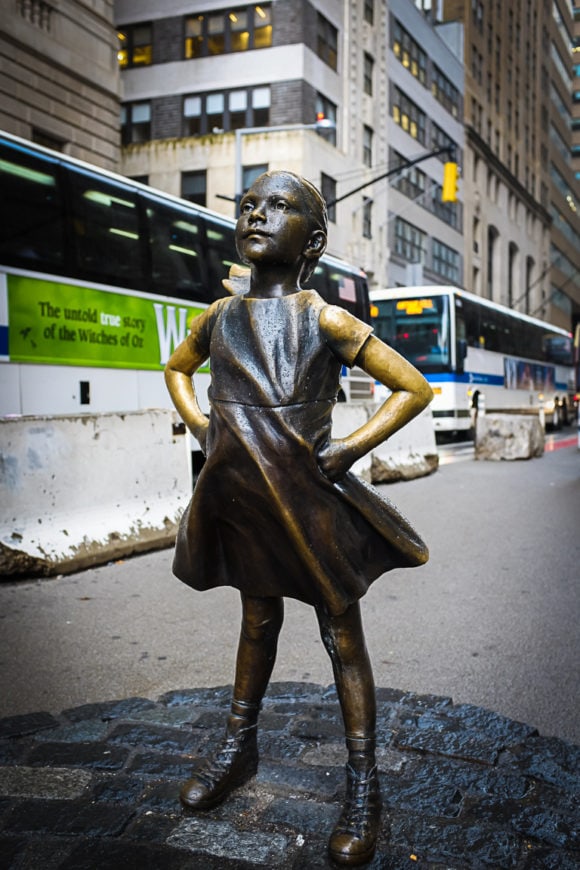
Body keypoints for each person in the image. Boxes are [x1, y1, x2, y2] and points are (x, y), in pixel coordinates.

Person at [165, 170, 433, 867]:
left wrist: (345, 450)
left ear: (311, 240)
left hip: (309, 503)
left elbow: (413, 388)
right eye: (248, 205)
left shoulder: (327, 318)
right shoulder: (219, 318)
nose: (256, 214)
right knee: (256, 619)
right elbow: (176, 369)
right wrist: (201, 425)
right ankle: (239, 747)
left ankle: (363, 782)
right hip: (242, 497)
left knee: (341, 636)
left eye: (277, 207)